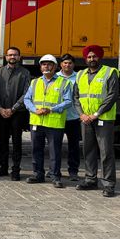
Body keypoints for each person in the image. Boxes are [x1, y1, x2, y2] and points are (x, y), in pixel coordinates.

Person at [73, 44, 119, 197]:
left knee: (106, 152)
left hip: (103, 119)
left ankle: (109, 184)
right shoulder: (80, 74)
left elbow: (112, 95)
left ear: (100, 57)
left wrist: (96, 114)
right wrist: (81, 114)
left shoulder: (110, 72)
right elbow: (76, 97)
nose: (92, 59)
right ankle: (90, 179)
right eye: (89, 56)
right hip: (86, 119)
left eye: (94, 56)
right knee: (88, 150)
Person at [23, 54, 72, 187]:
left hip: (54, 123)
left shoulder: (64, 82)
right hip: (37, 121)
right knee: (36, 149)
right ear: (40, 67)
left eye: (49, 64)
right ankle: (37, 174)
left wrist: (51, 109)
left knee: (55, 152)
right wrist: (35, 110)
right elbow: (27, 99)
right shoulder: (35, 82)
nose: (46, 66)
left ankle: (55, 176)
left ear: (55, 67)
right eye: (44, 64)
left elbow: (68, 101)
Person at [0, 46, 31, 180]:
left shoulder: (25, 73)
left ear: (19, 57)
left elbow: (26, 93)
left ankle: (16, 170)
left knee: (17, 141)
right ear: (6, 57)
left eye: (15, 55)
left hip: (17, 113)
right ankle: (3, 168)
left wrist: (13, 109)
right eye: (10, 55)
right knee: (3, 141)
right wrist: (0, 108)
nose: (12, 57)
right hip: (2, 112)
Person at [57, 53, 81, 181]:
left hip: (74, 117)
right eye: (65, 63)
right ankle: (54, 170)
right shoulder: (55, 77)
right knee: (55, 146)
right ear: (61, 64)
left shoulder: (79, 77)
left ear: (74, 64)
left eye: (70, 63)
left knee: (74, 147)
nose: (67, 65)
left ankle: (73, 171)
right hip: (58, 117)